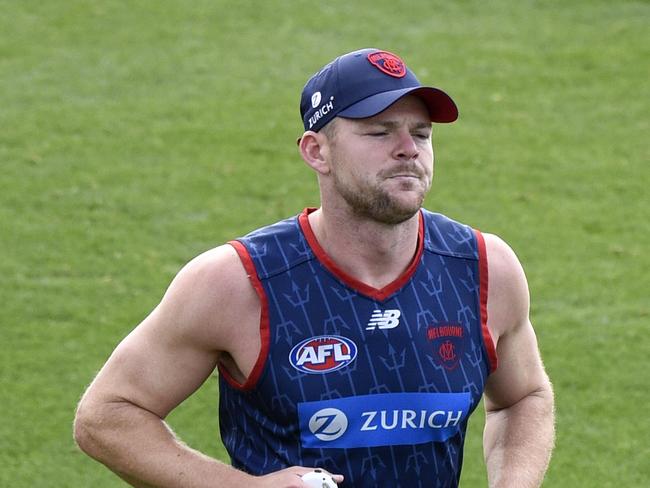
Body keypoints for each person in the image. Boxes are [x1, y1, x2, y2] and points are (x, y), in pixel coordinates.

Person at [74, 48, 555, 487]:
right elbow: (108, 416)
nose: (409, 149)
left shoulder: (482, 269)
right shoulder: (238, 283)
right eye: (379, 132)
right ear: (316, 151)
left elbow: (523, 398)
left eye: (421, 133)